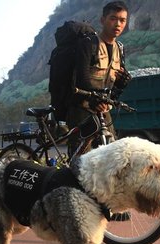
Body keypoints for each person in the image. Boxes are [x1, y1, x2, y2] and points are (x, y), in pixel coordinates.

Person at [66, 1, 132, 156]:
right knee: (81, 158)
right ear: (103, 20)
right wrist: (94, 100)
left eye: (122, 20)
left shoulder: (120, 49)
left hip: (104, 109)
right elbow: (81, 77)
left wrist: (121, 85)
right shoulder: (88, 44)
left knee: (113, 155)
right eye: (113, 18)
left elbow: (115, 86)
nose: (118, 24)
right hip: (82, 108)